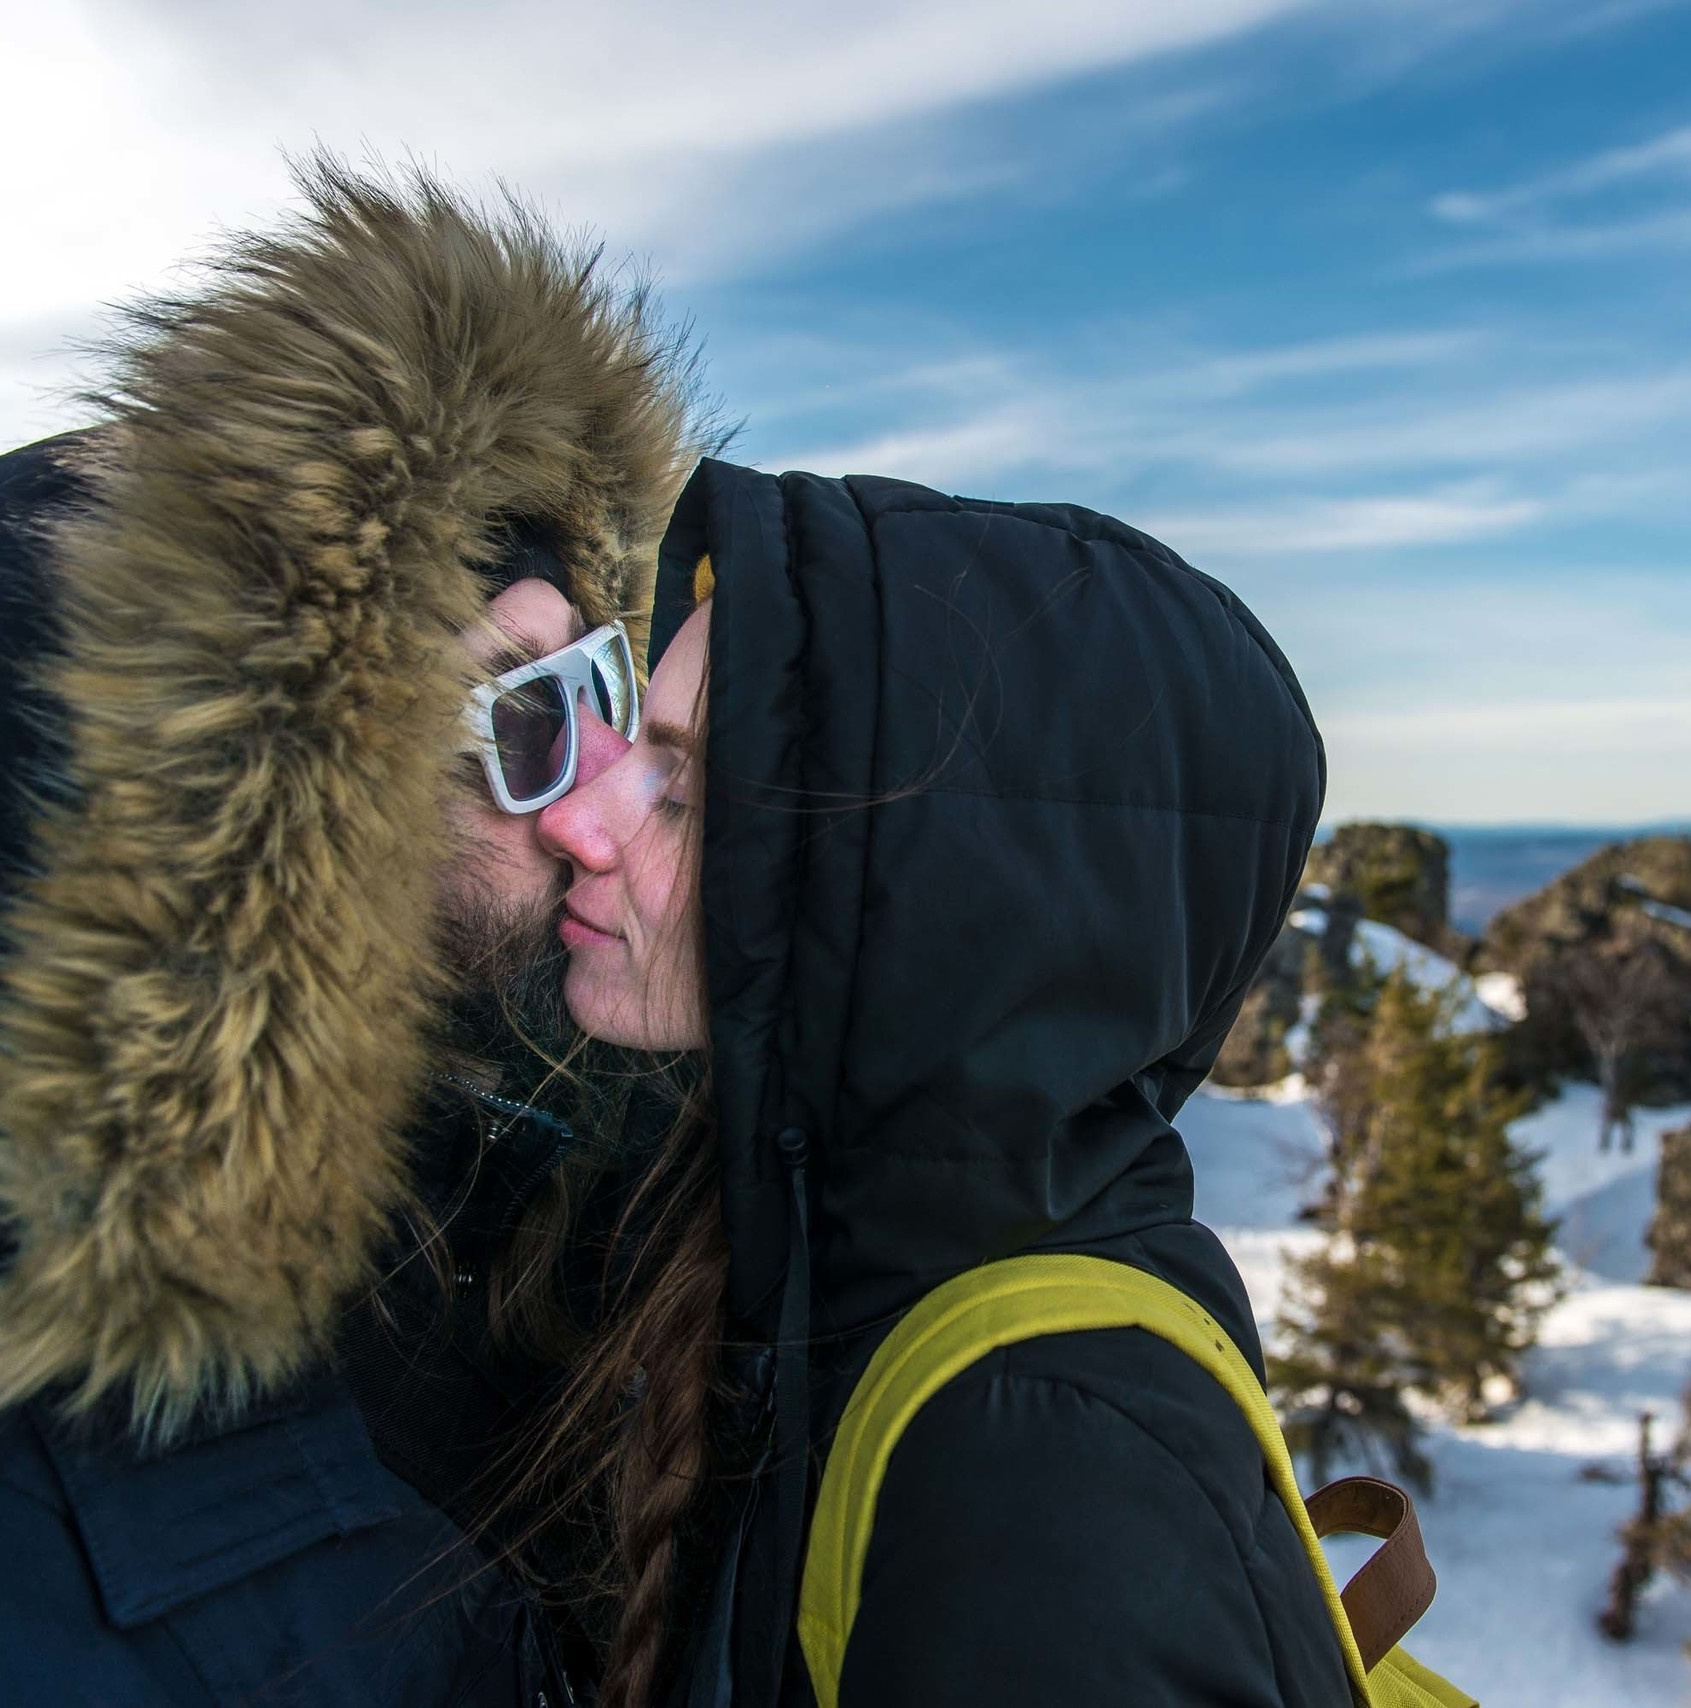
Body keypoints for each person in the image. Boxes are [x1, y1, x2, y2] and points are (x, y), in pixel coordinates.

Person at [0, 160, 703, 1705]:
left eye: (597, 691)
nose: (595, 806)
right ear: (218, 845)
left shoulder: (524, 1238)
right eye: (516, 719)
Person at [524, 458, 1351, 1707]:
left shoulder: (1044, 1486)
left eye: (686, 793)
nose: (579, 824)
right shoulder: (839, 1262)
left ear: (931, 910)